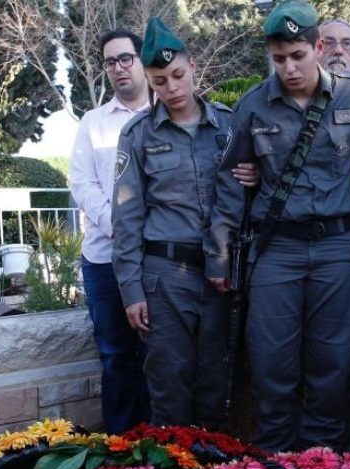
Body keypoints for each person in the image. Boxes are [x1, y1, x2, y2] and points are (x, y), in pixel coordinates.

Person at [207, 0, 350, 452]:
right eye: (279, 59)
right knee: (272, 364)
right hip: (276, 250)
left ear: (318, 47)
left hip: (339, 248)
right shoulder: (253, 106)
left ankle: (323, 465)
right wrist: (218, 254)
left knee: (332, 363)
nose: (289, 68)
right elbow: (228, 182)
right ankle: (276, 463)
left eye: (297, 56)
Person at [111, 18, 234, 428]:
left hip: (220, 276)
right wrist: (131, 290)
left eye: (178, 75)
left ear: (193, 65)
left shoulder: (228, 127)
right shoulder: (138, 135)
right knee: (169, 385)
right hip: (164, 278)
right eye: (160, 81)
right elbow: (126, 217)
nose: (173, 88)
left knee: (217, 385)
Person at [70, 29, 152, 434]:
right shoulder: (93, 123)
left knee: (159, 355)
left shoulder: (164, 114)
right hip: (106, 259)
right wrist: (121, 228)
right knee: (116, 355)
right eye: (110, 62)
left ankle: (163, 447)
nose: (118, 69)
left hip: (158, 259)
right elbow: (82, 184)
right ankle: (121, 448)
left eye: (126, 59)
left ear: (141, 60)